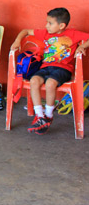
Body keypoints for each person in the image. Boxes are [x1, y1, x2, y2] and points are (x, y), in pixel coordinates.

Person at [11, 7, 89, 135]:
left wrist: (82, 46)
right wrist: (17, 40)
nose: (46, 25)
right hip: (45, 67)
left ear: (61, 25)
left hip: (63, 69)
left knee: (50, 84)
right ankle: (40, 116)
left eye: (50, 23)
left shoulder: (73, 34)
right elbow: (25, 31)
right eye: (47, 22)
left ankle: (48, 115)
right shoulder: (45, 34)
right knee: (34, 81)